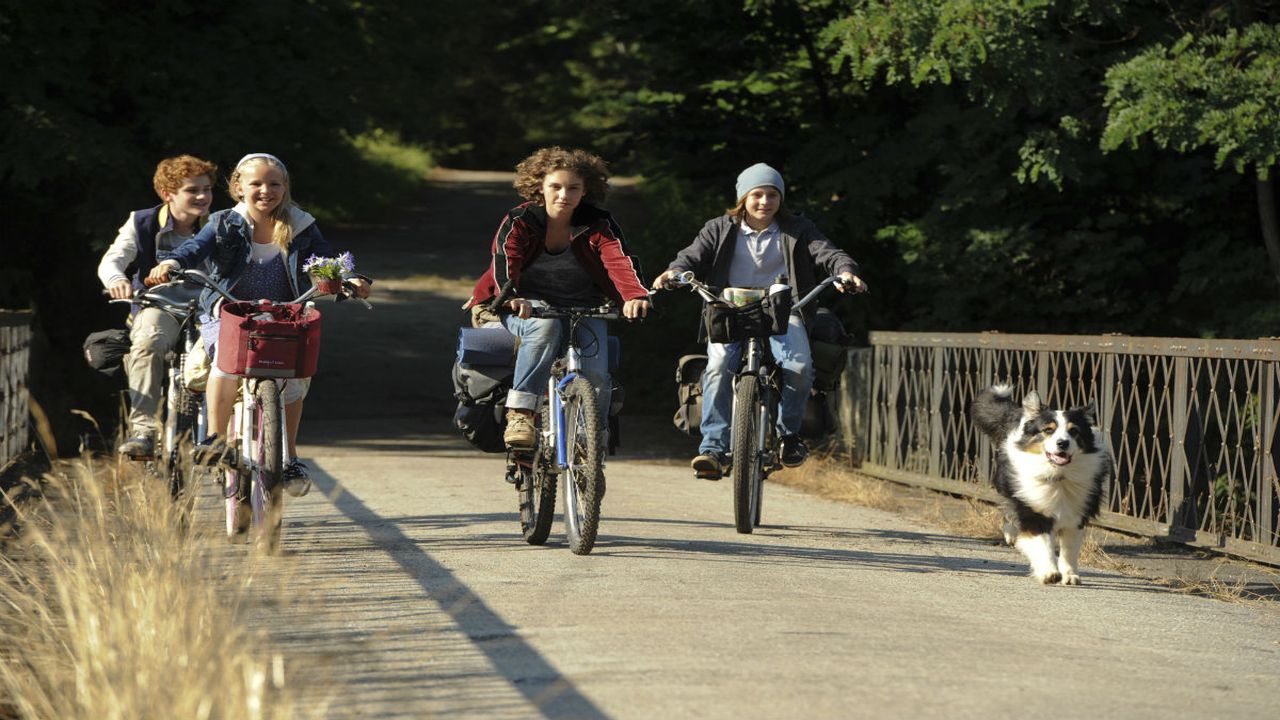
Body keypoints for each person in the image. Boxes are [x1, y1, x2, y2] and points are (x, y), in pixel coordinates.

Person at [148, 153, 371, 496]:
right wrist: (172, 263)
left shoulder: (300, 223)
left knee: (294, 379)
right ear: (239, 187)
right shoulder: (223, 222)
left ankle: (289, 458)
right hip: (231, 310)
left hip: (284, 311)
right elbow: (194, 248)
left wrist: (349, 278)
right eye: (256, 183)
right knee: (225, 362)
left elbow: (324, 258)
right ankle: (216, 440)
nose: (266, 190)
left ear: (285, 187)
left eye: (274, 183)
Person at [651, 162, 866, 479]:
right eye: (757, 195)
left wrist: (845, 271)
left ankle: (788, 435)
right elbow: (692, 255)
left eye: (772, 195)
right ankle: (713, 448)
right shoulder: (719, 228)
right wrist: (675, 271)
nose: (765, 202)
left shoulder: (798, 228)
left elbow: (829, 253)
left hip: (784, 309)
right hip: (729, 308)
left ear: (781, 198)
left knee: (799, 366)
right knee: (718, 366)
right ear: (743, 197)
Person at [463, 146, 650, 449]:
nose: (564, 195)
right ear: (540, 186)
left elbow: (619, 261)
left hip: (583, 307)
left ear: (585, 190)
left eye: (573, 188)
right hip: (523, 306)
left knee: (596, 374)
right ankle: (522, 413)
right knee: (545, 328)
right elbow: (505, 262)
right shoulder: (520, 220)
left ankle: (591, 444)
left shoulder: (599, 224)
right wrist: (512, 297)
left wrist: (634, 296)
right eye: (556, 186)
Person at [98, 154, 218, 458]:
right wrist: (116, 278)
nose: (202, 196)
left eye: (206, 189)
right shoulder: (142, 221)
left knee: (231, 353)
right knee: (147, 344)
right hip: (161, 306)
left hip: (208, 309)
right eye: (192, 190)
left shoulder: (219, 224)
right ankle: (143, 432)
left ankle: (224, 436)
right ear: (168, 194)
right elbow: (113, 259)